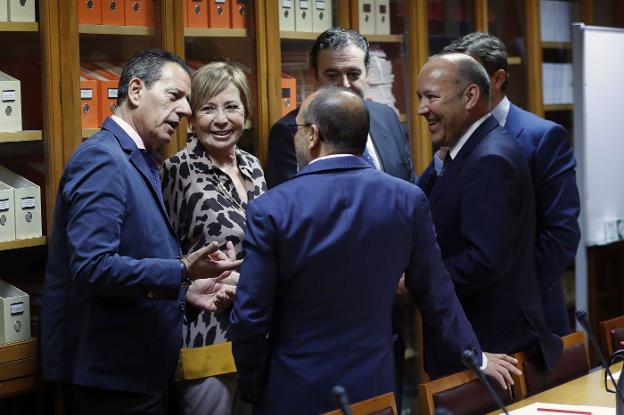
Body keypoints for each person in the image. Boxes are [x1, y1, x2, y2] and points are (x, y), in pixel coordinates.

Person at [229, 86, 520, 415]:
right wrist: (476, 355)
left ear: (312, 135)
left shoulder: (271, 208)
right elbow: (437, 295)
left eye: (297, 129)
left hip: (295, 387)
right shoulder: (407, 199)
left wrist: (256, 385)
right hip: (377, 386)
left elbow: (250, 318)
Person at [41, 49, 240, 415]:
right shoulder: (102, 158)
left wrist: (186, 289)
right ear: (135, 91)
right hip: (113, 379)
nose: (185, 111)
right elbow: (93, 267)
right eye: (175, 96)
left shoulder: (139, 158)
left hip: (139, 373)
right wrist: (181, 271)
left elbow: (135, 256)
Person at [416, 53, 562, 377]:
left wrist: (420, 280)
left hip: (490, 347)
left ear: (470, 97)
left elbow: (485, 259)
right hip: (476, 343)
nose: (421, 109)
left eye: (431, 97)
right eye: (419, 97)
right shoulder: (468, 149)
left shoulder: (489, 159)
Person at [443, 32, 581, 336]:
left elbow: (562, 232)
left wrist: (519, 293)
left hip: (530, 316)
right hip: (469, 312)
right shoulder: (453, 134)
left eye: (469, 79)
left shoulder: (541, 136)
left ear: (498, 78)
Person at [162, 61, 266, 415]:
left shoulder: (253, 166)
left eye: (231, 107)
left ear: (246, 113)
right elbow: (164, 252)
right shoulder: (178, 169)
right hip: (206, 333)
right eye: (208, 108)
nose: (221, 119)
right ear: (192, 118)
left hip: (256, 330)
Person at [265, 27, 416, 188]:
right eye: (332, 75)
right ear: (314, 76)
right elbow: (290, 203)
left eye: (353, 74)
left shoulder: (387, 116)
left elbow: (410, 184)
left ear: (367, 73)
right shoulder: (290, 132)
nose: (344, 85)